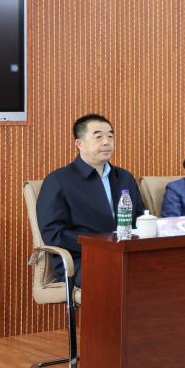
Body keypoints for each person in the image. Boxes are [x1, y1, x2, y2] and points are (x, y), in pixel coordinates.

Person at [37, 113, 144, 287]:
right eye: (98, 137)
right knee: (118, 276)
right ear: (80, 144)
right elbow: (53, 233)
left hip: (125, 255)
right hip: (81, 259)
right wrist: (100, 245)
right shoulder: (58, 180)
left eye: (110, 136)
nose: (106, 142)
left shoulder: (124, 177)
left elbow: (140, 218)